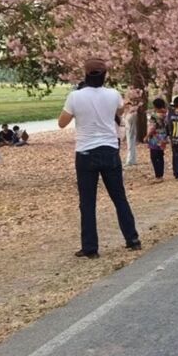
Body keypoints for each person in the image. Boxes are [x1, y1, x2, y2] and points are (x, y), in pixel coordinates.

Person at [58, 57, 141, 258]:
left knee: (87, 202)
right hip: (109, 150)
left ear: (85, 74)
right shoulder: (113, 94)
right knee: (119, 197)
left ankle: (90, 248)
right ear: (105, 76)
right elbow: (119, 110)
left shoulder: (75, 96)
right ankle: (132, 239)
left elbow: (62, 123)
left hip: (86, 152)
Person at [144, 98, 169, 183]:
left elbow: (152, 127)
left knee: (154, 157)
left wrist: (147, 136)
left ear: (155, 106)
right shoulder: (166, 114)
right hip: (163, 137)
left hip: (155, 137)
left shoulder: (154, 116)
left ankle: (158, 176)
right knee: (160, 156)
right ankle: (161, 174)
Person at [123, 93, 139, 166]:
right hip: (128, 130)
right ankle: (132, 160)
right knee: (130, 145)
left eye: (128, 105)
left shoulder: (133, 114)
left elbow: (132, 123)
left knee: (130, 146)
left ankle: (130, 160)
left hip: (131, 131)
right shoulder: (126, 113)